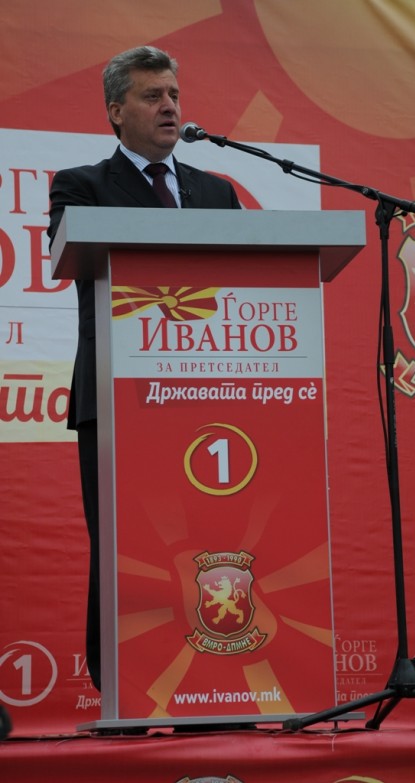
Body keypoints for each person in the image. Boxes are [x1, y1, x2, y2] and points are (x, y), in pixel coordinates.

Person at [47, 46, 241, 691]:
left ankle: (214, 678)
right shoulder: (81, 185)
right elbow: (78, 255)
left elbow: (245, 282)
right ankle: (124, 685)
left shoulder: (217, 191)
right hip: (118, 394)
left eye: (174, 95)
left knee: (212, 537)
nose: (170, 107)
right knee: (123, 540)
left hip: (208, 393)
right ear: (115, 111)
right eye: (153, 96)